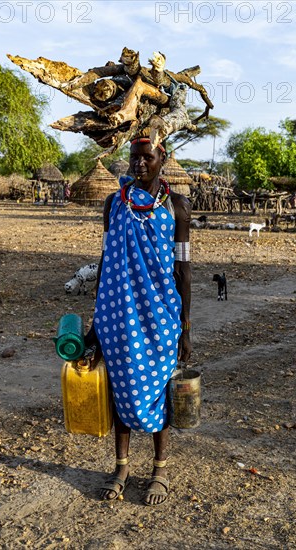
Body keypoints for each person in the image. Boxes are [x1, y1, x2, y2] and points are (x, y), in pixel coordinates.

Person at [85, 137, 192, 506]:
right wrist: (95, 322)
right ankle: (122, 467)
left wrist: (186, 327)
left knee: (159, 390)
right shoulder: (114, 204)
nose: (140, 164)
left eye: (148, 157)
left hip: (160, 315)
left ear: (163, 158)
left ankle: (159, 469)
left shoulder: (178, 206)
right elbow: (104, 260)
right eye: (135, 158)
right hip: (116, 313)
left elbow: (183, 270)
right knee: (120, 387)